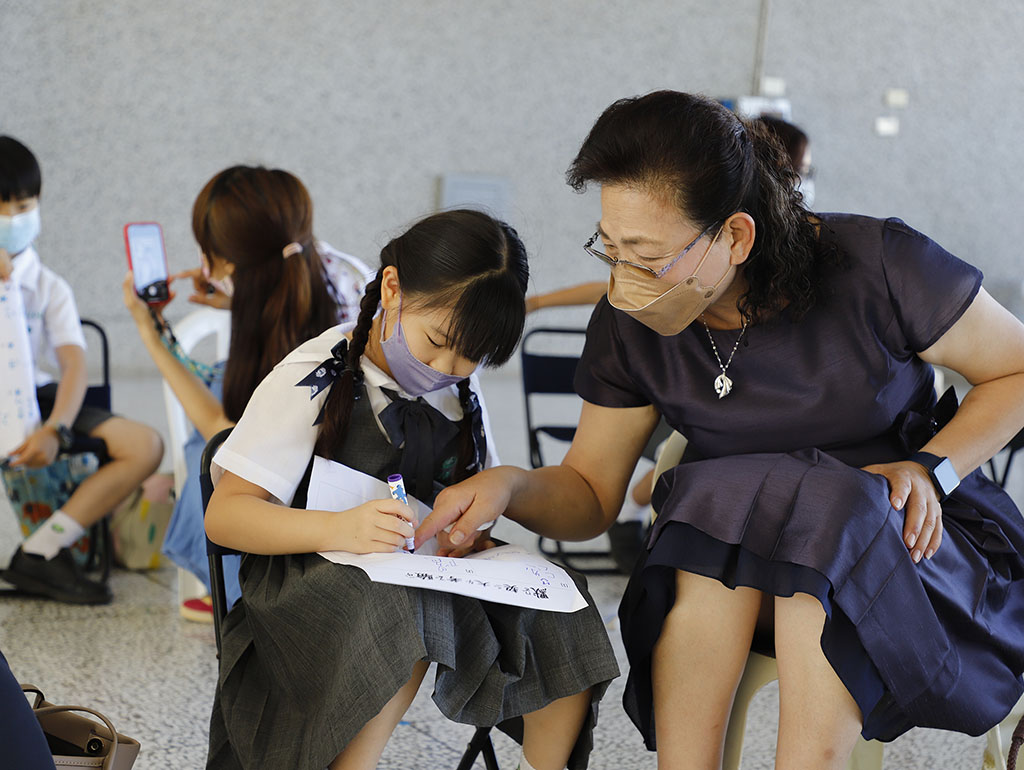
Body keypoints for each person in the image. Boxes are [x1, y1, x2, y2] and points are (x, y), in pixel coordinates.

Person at [419, 91, 1024, 769]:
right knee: (712, 502)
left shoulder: (880, 263)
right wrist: (509, 486)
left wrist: (932, 468)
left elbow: (1017, 371)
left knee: (824, 507)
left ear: (735, 235)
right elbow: (591, 492)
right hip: (730, 561)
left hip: (909, 548)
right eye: (610, 249)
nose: (624, 281)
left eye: (647, 256)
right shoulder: (630, 325)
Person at [204, 209, 619, 770]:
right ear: (393, 288)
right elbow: (226, 517)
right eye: (439, 341)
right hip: (305, 582)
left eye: (471, 356)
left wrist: (467, 530)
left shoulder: (459, 392)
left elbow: (475, 496)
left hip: (421, 571)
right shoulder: (317, 371)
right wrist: (340, 528)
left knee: (563, 600)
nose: (446, 367)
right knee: (400, 609)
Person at [123, 164, 371, 621]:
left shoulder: (301, 351)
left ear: (230, 264)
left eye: (209, 251)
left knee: (206, 448)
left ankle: (239, 589)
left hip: (319, 498)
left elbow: (229, 438)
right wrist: (242, 301)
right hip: (359, 479)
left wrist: (151, 335)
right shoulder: (340, 271)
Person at [0, 136, 163, 605]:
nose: (14, 219)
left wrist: (55, 427)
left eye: (24, 205)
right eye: (2, 208)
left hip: (38, 397)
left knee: (145, 444)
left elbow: (73, 361)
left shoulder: (49, 286)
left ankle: (42, 550)